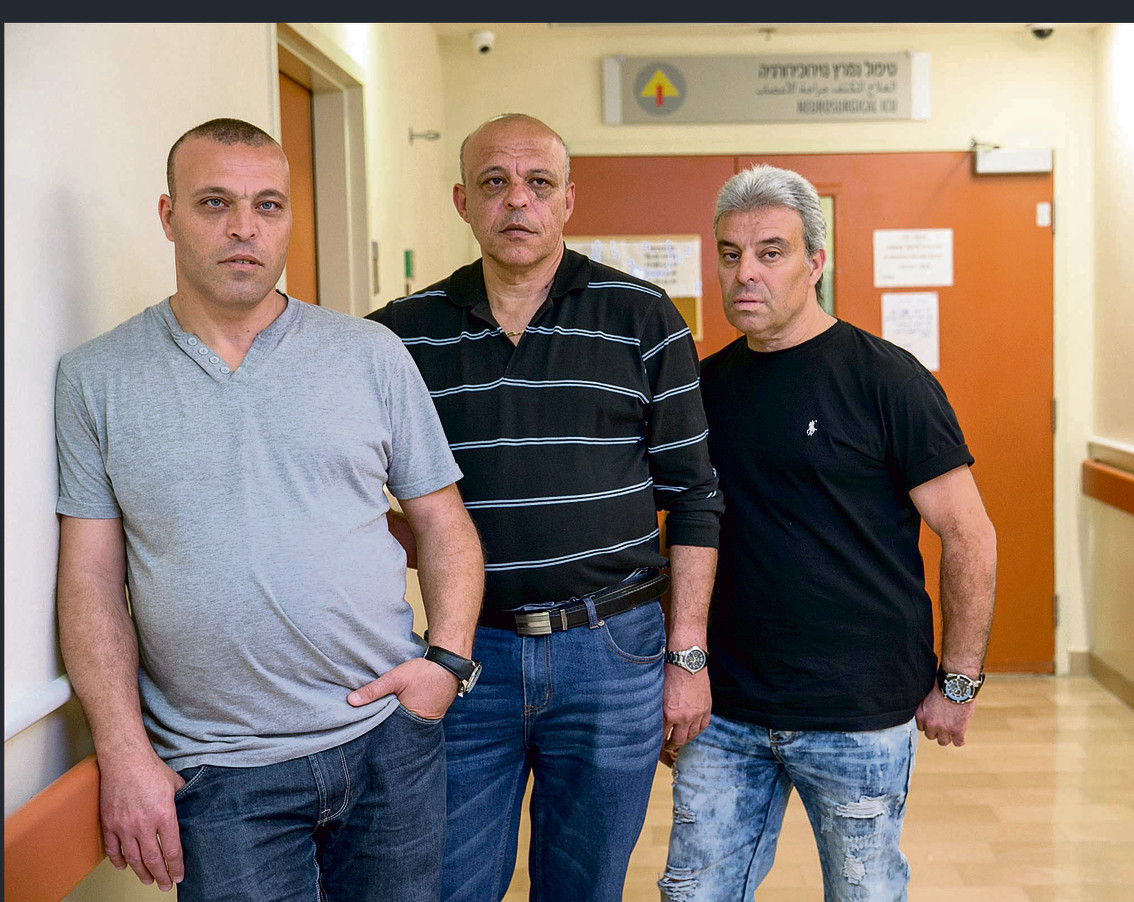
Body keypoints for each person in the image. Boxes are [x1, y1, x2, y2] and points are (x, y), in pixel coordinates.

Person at [54, 117, 485, 901]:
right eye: (214, 202)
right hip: (220, 773)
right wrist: (122, 750)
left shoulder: (368, 354)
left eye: (268, 205)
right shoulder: (97, 377)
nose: (243, 228)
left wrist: (446, 666)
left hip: (386, 742)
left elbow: (442, 521)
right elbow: (89, 578)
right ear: (168, 215)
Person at [366, 113, 723, 902]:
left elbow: (695, 498)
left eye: (538, 184)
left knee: (586, 886)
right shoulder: (399, 336)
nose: (516, 202)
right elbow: (347, 497)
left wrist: (686, 655)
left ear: (568, 200)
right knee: (450, 883)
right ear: (463, 200)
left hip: (613, 651)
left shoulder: (642, 317)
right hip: (467, 657)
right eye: (495, 183)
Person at [659, 164, 998, 901]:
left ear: (816, 261)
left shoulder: (888, 381)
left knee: (864, 892)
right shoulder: (701, 388)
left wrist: (959, 680)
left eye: (770, 252)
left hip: (857, 711)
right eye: (728, 254)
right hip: (727, 709)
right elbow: (685, 529)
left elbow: (967, 533)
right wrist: (679, 666)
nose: (744, 273)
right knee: (692, 893)